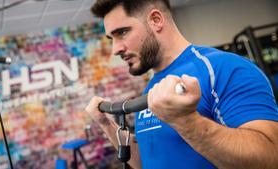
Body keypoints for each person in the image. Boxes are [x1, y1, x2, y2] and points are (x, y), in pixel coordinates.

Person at [85, 0, 278, 169]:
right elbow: (148, 162)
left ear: (156, 20)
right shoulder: (152, 88)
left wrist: (185, 121)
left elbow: (270, 159)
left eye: (122, 32)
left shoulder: (223, 68)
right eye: (111, 38)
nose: (115, 49)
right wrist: (107, 125)